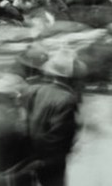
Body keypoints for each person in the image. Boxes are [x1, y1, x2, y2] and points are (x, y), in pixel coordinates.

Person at [25, 48, 83, 186]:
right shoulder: (67, 99)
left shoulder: (34, 90)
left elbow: (25, 121)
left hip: (29, 154)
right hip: (52, 159)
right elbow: (59, 135)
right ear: (70, 78)